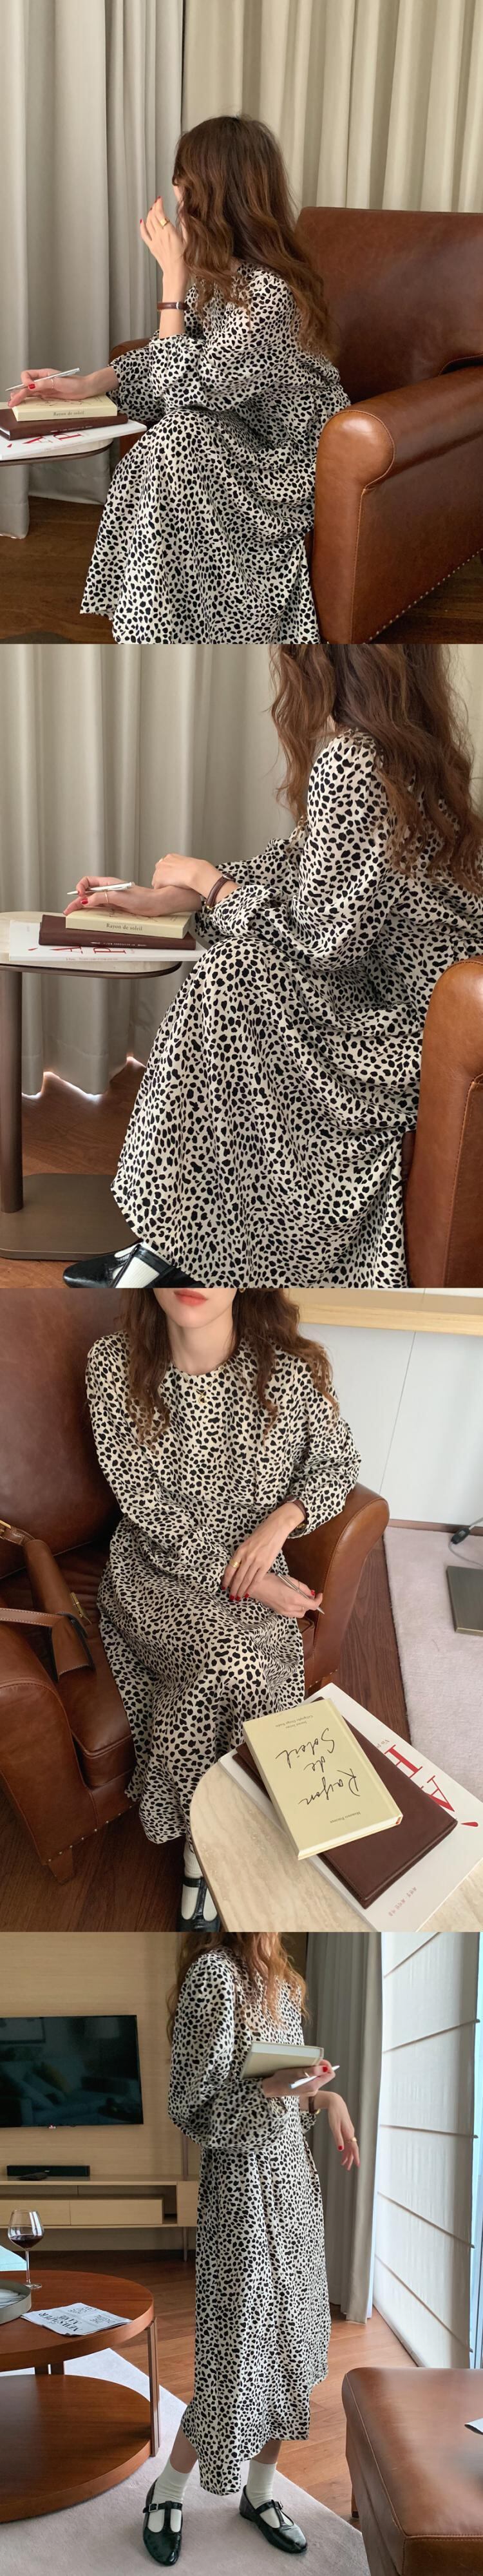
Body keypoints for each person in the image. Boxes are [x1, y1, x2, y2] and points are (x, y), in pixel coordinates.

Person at [64, 641, 483, 1294]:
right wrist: (180, 896)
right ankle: (177, 1244)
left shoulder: (355, 758)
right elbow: (301, 866)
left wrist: (209, 883)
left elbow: (320, 943)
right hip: (409, 1023)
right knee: (236, 974)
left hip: (407, 1043)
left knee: (233, 975)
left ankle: (172, 1247)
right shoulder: (408, 749)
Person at [10, 117, 348, 644]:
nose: (175, 199)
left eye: (184, 186)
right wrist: (88, 384)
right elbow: (169, 362)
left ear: (215, 194)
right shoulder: (219, 274)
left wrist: (172, 280)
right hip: (235, 436)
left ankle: (157, 626)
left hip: (287, 461)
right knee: (177, 437)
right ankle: (154, 621)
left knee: (179, 435)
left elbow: (185, 393)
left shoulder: (269, 295)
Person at [85, 1288, 360, 1926]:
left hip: (255, 1567)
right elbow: (145, 1508)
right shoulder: (113, 1362)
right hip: (155, 1571)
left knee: (252, 1679)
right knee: (231, 1663)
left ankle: (218, 1844)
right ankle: (205, 1847)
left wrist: (282, 1522)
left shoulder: (289, 1372)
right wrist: (252, 1583)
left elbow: (339, 1463)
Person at [143, 1932, 359, 2564]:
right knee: (234, 2360)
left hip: (293, 2191)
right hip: (241, 2195)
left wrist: (326, 2095)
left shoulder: (283, 1980)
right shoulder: (216, 1976)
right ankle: (168, 2489)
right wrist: (270, 2090)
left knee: (292, 2351)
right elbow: (189, 2106)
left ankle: (260, 2492)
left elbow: (290, 2092)